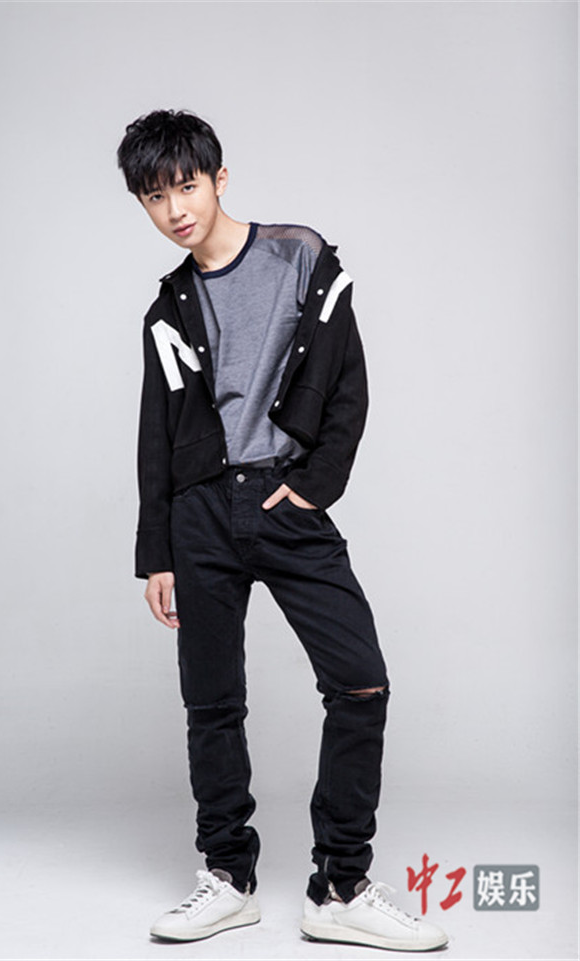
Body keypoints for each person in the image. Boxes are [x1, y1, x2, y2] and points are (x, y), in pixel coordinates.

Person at [117, 108, 448, 951]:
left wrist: (312, 487)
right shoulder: (166, 308)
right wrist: (157, 553)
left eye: (186, 185)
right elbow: (156, 433)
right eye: (154, 197)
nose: (174, 209)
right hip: (200, 514)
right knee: (211, 702)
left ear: (219, 179)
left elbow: (348, 387)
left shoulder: (301, 257)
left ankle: (339, 887)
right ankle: (228, 878)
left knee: (360, 682)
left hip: (283, 503)